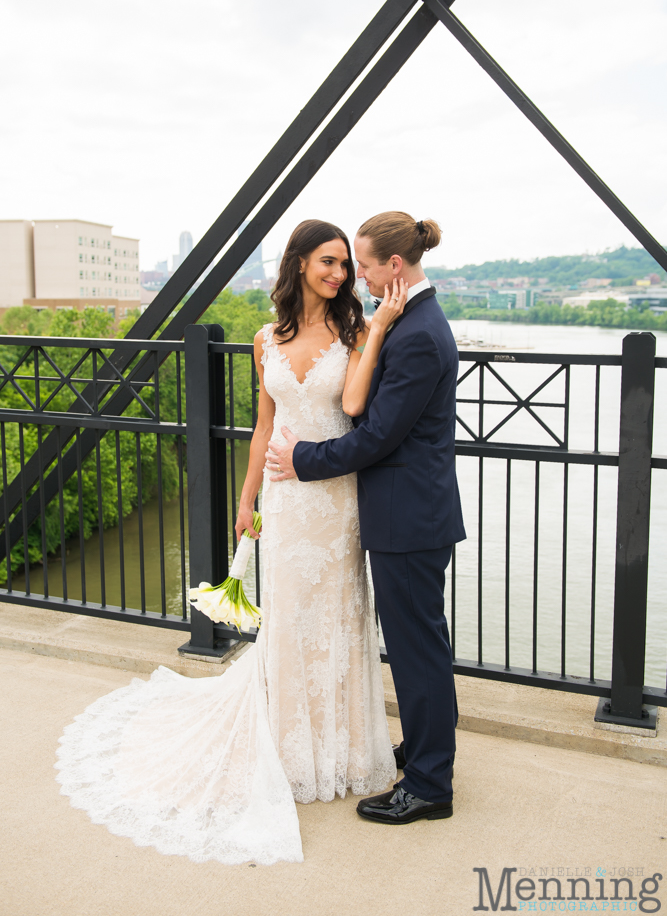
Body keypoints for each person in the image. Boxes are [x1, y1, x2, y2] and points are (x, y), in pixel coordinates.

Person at [55, 218, 405, 866]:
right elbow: (262, 425)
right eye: (326, 262)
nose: (336, 274)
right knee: (288, 620)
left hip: (336, 499)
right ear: (299, 263)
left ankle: (340, 749)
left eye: (343, 266)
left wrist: (379, 326)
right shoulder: (263, 338)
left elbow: (358, 411)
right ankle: (287, 748)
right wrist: (247, 500)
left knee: (338, 617)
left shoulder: (356, 333)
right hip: (286, 500)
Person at [266, 210, 466, 825]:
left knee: (417, 650)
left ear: (394, 266)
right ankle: (424, 749)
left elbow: (377, 435)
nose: (357, 274)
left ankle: (430, 784)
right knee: (417, 644)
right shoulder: (411, 323)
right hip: (410, 513)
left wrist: (303, 458)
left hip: (409, 517)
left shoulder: (417, 335)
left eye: (364, 264)